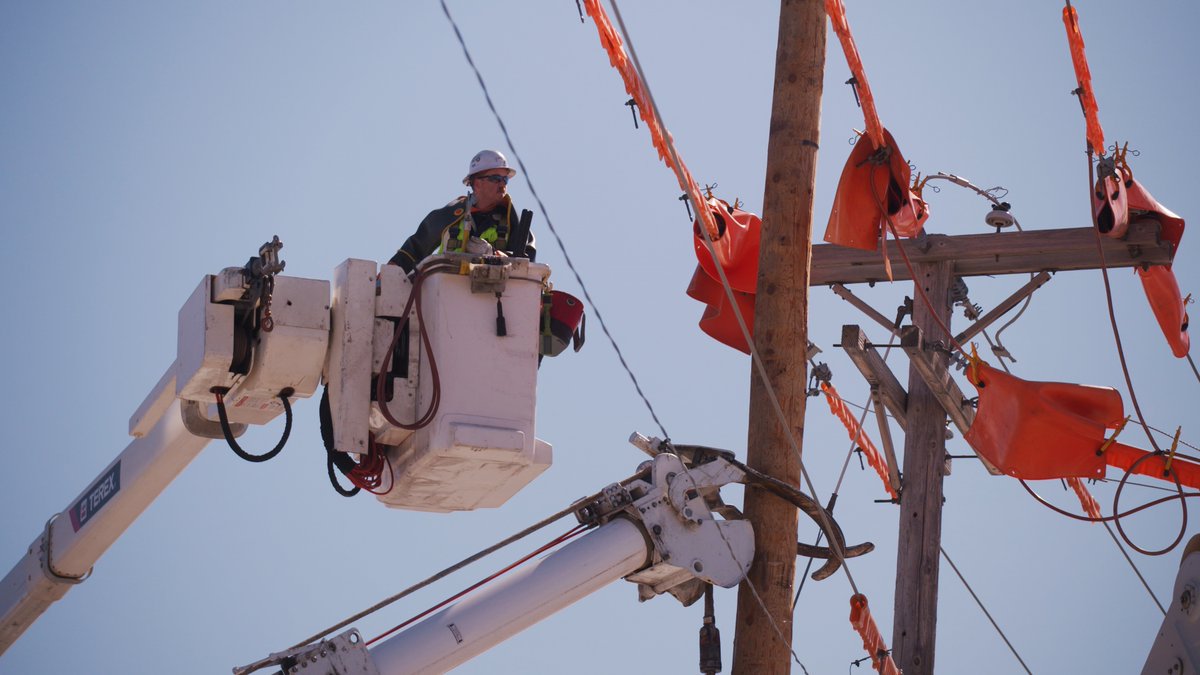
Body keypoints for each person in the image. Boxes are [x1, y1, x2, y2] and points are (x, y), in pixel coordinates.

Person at [388, 149, 536, 274]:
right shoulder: (450, 215)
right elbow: (415, 248)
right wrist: (390, 274)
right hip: (445, 291)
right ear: (477, 183)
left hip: (494, 298)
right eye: (496, 178)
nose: (503, 184)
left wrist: (493, 254)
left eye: (505, 179)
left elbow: (526, 263)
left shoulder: (513, 221)